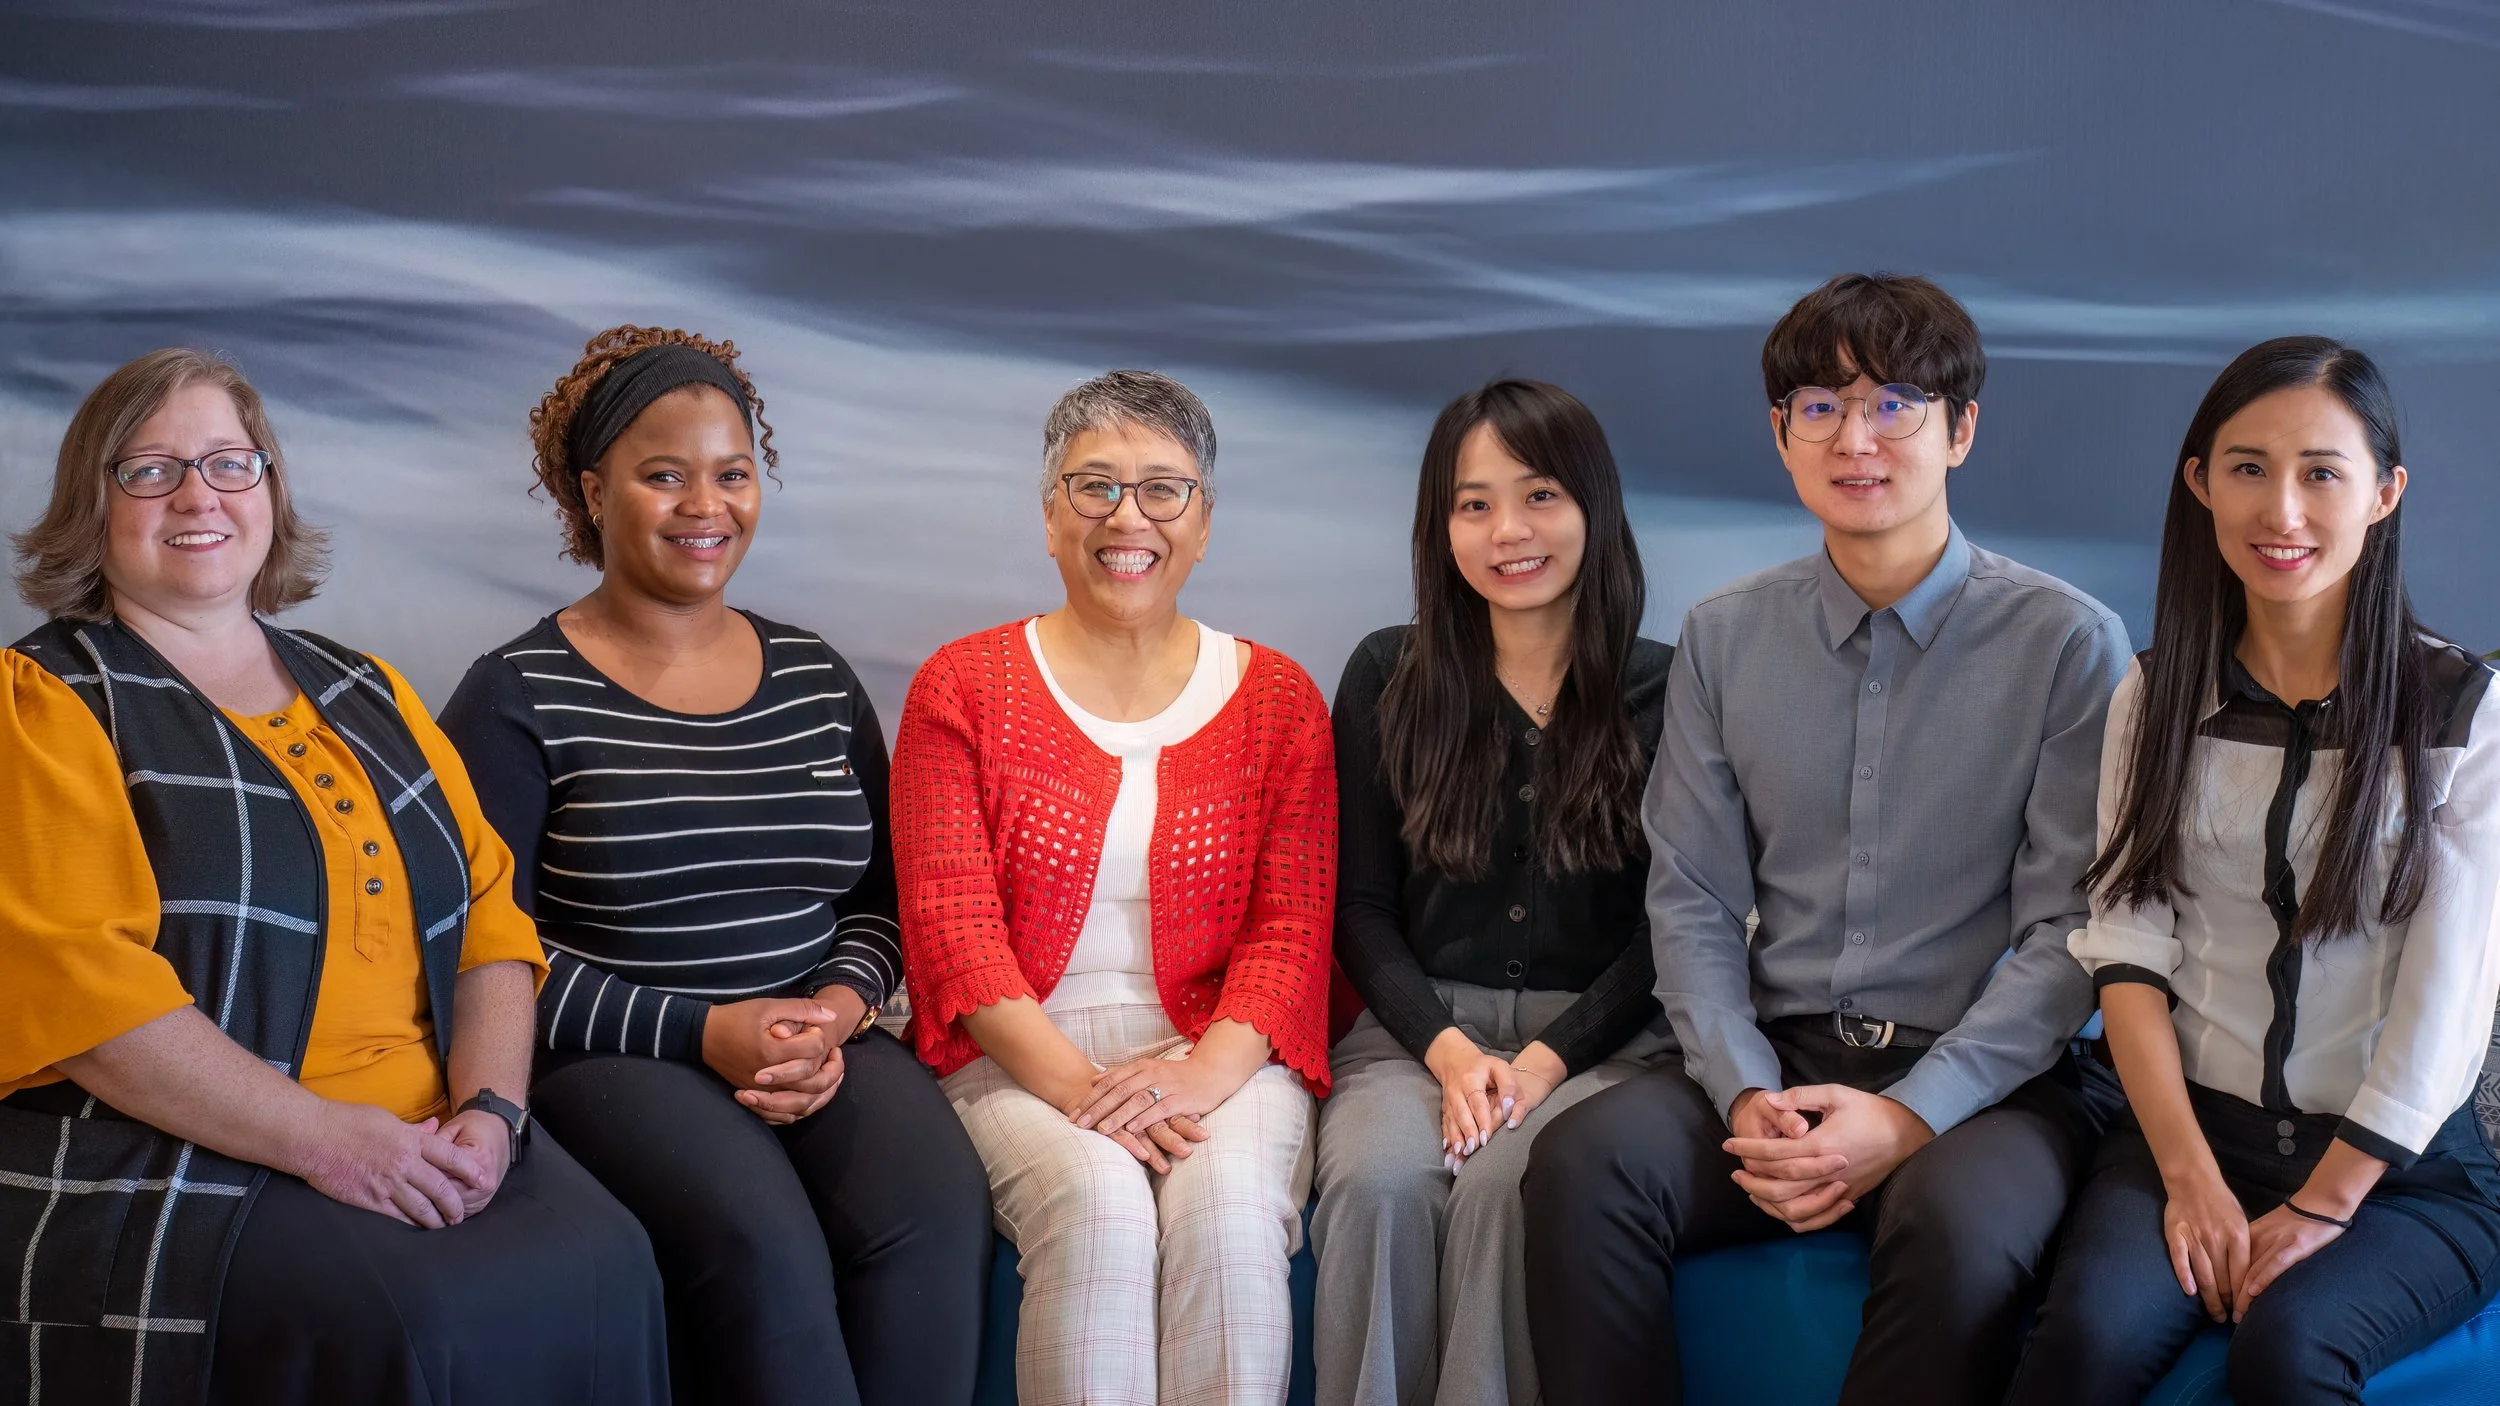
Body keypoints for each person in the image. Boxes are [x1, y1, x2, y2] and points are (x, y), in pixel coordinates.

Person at [0, 348, 666, 1406]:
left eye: (230, 463)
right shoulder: (45, 702)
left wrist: (491, 1111)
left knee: (611, 1257)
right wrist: (327, 1142)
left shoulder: (368, 688)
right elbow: (88, 1002)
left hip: (433, 1129)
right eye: (150, 470)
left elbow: (491, 924)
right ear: (95, 502)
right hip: (190, 1151)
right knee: (413, 1318)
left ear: (269, 488)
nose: (198, 496)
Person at [1520, 273, 2135, 1405]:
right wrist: (1745, 1093)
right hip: (1780, 1052)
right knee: (1582, 1159)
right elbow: (1693, 897)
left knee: (1959, 1227)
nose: (1856, 439)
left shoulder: (2066, 644)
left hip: (1990, 1080)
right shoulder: (1725, 638)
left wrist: (1908, 1115)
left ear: (1961, 430)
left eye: (1894, 403)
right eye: (1820, 406)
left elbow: (2070, 932)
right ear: (1781, 433)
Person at [438, 325, 991, 1406]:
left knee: (937, 1212)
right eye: (664, 476)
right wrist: (703, 1029)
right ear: (593, 492)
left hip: (816, 1032)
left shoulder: (814, 675)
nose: (707, 505)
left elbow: (881, 901)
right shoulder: (515, 695)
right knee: (763, 1247)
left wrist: (834, 1011)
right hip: (614, 1054)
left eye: (733, 474)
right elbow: (484, 952)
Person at [2005, 338, 2500, 1405]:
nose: (2281, 510)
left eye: (2322, 472)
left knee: (2287, 1350)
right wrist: (2186, 1175)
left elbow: (2449, 1001)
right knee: (2084, 1339)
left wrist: (2325, 1201)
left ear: (2384, 494)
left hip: (2402, 1176)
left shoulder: (2462, 712)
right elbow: (2127, 948)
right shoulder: (2153, 695)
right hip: (2189, 1135)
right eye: (2247, 468)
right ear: (2200, 484)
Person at [892, 369, 1336, 1406]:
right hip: (1016, 1048)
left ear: (1204, 522)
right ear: (1050, 516)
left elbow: (1292, 927)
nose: (1127, 517)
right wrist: (1085, 1091)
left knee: (1230, 1221)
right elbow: (952, 928)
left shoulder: (1278, 698)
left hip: (1221, 1046)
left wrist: (1200, 1075)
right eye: (1093, 486)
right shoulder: (960, 686)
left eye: (1162, 489)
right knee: (1098, 1207)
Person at [1313, 379, 1675, 1406]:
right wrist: (1447, 1048)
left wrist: (1545, 1062)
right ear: (1442, 528)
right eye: (1473, 504)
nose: (1507, 531)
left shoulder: (1670, 687)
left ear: (1593, 507)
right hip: (1415, 1036)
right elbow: (1359, 907)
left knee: (1505, 1189)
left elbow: (1674, 927)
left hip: (1604, 1049)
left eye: (1539, 495)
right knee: (1378, 1184)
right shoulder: (1387, 672)